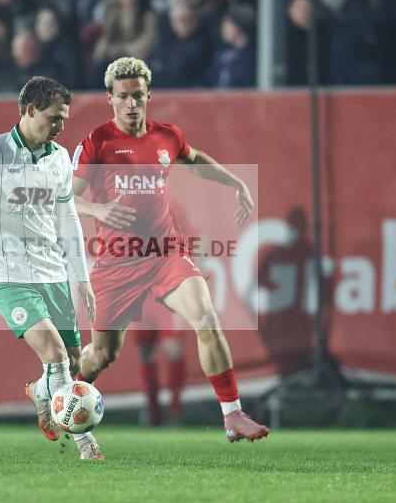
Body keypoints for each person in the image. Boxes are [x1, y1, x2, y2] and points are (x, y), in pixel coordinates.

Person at [71, 57, 269, 445]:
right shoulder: (97, 142)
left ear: (148, 97)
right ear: (110, 98)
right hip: (117, 264)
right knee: (102, 356)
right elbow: (66, 199)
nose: (132, 104)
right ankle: (64, 394)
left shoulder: (166, 136)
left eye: (138, 96)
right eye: (124, 97)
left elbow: (195, 161)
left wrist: (236, 184)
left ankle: (233, 415)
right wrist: (98, 208)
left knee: (207, 318)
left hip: (166, 254)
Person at [0, 76, 102, 460]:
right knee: (56, 355)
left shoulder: (59, 158)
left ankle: (42, 391)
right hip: (8, 274)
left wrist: (82, 279)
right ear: (29, 110)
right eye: (54, 117)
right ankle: (85, 442)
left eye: (64, 119)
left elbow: (68, 220)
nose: (61, 126)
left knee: (73, 361)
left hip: (53, 273)